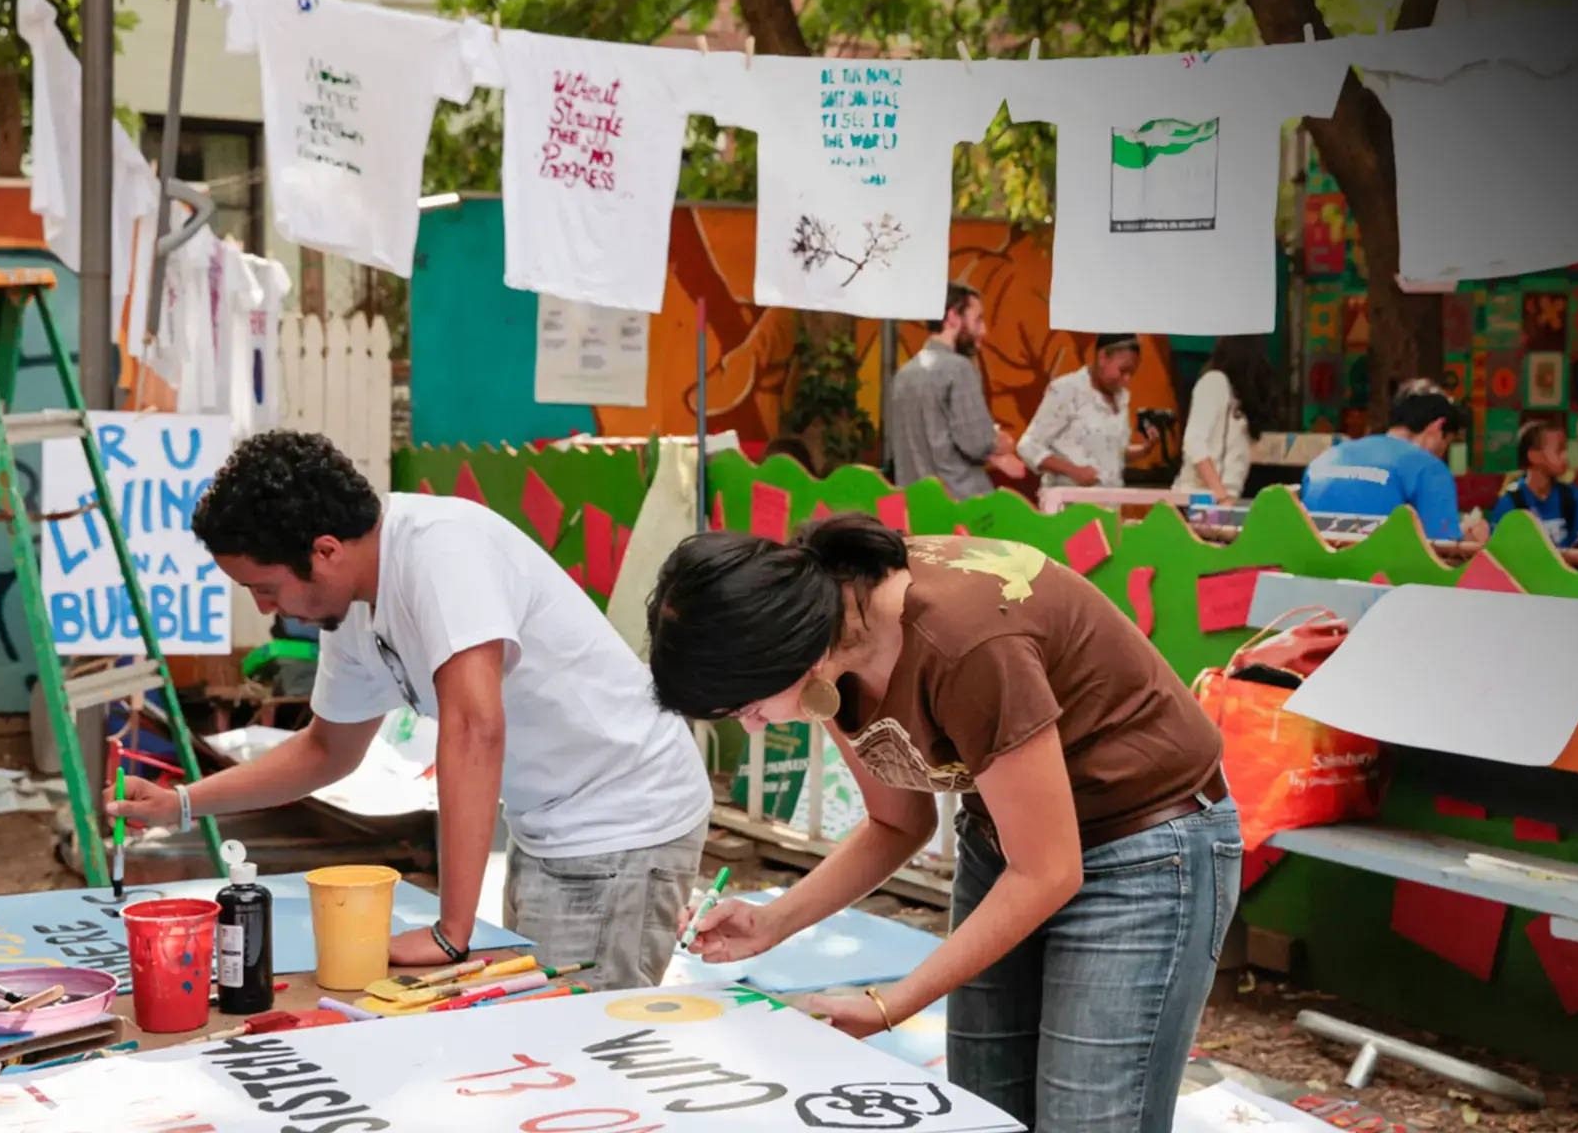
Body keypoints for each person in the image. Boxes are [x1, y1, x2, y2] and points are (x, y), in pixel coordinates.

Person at [646, 516, 1239, 1133]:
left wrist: (892, 1002)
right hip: (1009, 845)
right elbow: (897, 822)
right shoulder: (827, 643)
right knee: (986, 1110)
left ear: (786, 652)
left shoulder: (963, 641)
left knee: (1089, 1117)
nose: (753, 724)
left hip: (1144, 847)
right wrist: (772, 922)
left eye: (747, 706)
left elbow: (1050, 870)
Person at [106, 431, 712, 990]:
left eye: (264, 587)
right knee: (534, 1025)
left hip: (626, 815)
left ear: (324, 551)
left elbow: (475, 729)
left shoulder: (440, 552)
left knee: (578, 1048)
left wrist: (452, 932)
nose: (268, 608)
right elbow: (326, 751)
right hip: (551, 824)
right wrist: (181, 803)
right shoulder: (353, 606)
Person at [1301, 385, 1488, 542]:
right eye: (1446, 443)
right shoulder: (1430, 468)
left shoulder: (1323, 461)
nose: (1442, 453)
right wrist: (1468, 536)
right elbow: (1441, 549)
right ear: (1438, 427)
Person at [887, 283, 1015, 499]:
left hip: (915, 503)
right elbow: (977, 443)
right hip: (960, 502)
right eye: (978, 320)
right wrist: (998, 441)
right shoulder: (958, 368)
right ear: (953, 317)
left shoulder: (904, 374)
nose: (983, 331)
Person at [1016, 333, 1153, 489]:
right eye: (1123, 371)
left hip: (1109, 505)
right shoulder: (1067, 390)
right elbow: (1028, 446)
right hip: (1069, 505)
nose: (1127, 380)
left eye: (1132, 373)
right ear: (1102, 358)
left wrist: (1144, 450)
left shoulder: (1121, 398)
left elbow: (1111, 451)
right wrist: (1073, 471)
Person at [1174, 334, 1274, 505]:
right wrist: (1220, 496)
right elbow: (1194, 442)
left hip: (1221, 502)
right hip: (1200, 500)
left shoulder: (1241, 398)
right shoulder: (1215, 382)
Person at [1490, 421, 1578, 548]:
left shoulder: (1572, 497)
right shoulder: (1510, 502)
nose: (1566, 456)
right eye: (1559, 449)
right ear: (1534, 456)